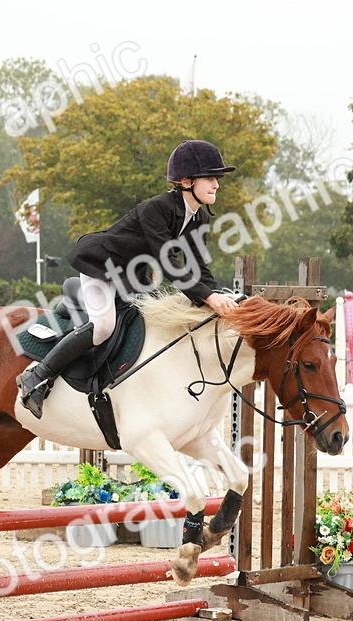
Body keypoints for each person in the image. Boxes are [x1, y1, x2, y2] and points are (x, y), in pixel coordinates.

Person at [16, 139, 242, 419]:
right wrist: (208, 296)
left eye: (217, 179)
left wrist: (224, 297)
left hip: (132, 277)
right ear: (186, 181)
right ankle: (37, 376)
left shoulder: (199, 219)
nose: (216, 184)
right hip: (102, 265)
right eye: (210, 178)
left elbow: (199, 268)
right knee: (103, 326)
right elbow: (167, 262)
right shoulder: (158, 208)